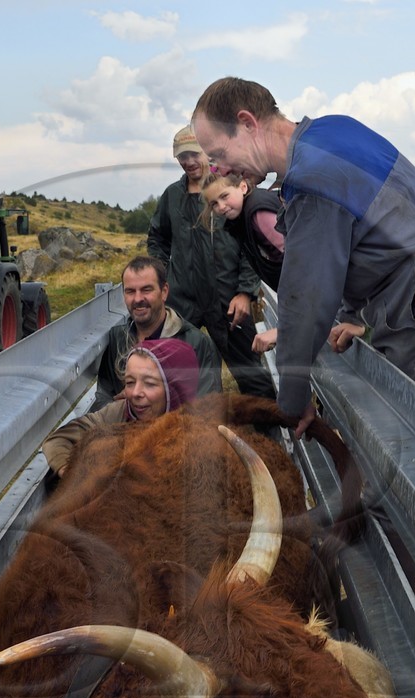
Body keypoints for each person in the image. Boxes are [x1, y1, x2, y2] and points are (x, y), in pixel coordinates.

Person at [191, 77, 415, 436]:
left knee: (414, 454)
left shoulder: (311, 178)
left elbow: (306, 297)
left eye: (218, 155)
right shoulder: (333, 131)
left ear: (246, 123)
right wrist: (352, 314)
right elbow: (368, 230)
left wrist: (292, 399)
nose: (220, 171)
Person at [147, 126, 275, 400]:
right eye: (182, 156)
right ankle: (193, 431)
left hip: (228, 301)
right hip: (183, 303)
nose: (189, 161)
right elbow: (158, 237)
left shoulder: (226, 189)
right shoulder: (172, 196)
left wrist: (245, 292)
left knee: (251, 375)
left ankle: (270, 433)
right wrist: (161, 278)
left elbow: (251, 244)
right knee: (180, 374)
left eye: (194, 153)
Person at [43, 337, 200, 476]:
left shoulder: (197, 440)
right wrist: (72, 473)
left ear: (175, 390)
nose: (135, 393)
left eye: (150, 384)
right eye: (130, 382)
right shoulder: (119, 413)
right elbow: (58, 439)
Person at [95, 255, 221, 405]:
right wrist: (121, 409)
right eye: (130, 291)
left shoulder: (197, 344)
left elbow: (209, 410)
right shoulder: (118, 340)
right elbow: (103, 400)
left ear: (164, 291)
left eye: (146, 290)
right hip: (125, 428)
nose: (137, 299)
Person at [200, 169, 287, 356]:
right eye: (214, 203)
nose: (221, 207)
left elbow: (297, 264)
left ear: (243, 186)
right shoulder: (242, 219)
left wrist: (286, 329)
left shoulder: (258, 214)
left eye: (224, 196)